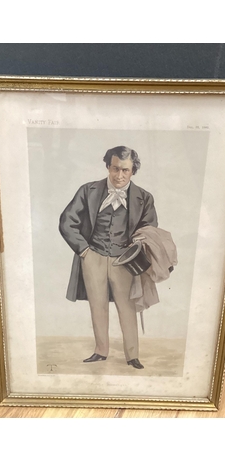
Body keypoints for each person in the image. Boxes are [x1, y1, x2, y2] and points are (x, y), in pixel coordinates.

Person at [59, 146, 158, 369]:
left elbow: (150, 228)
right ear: (108, 167)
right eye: (115, 168)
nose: (119, 175)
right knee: (98, 306)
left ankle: (132, 355)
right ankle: (100, 351)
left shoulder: (144, 198)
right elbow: (67, 221)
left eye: (125, 170)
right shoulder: (88, 191)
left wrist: (137, 245)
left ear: (133, 171)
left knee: (127, 307)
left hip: (125, 262)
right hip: (92, 257)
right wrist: (84, 250)